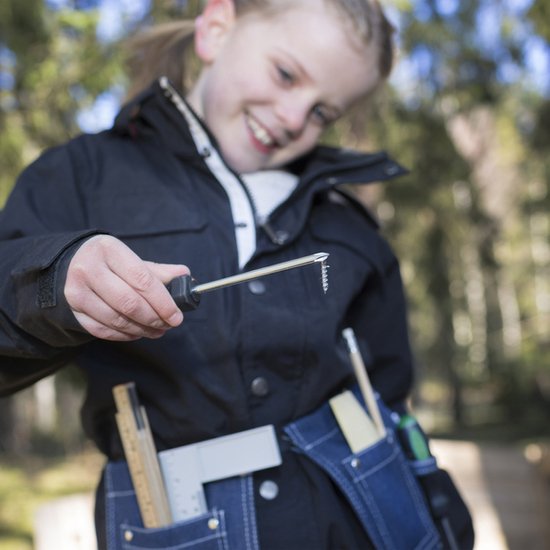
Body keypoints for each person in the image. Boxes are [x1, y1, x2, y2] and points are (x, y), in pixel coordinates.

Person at [0, 0, 474, 548]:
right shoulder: (82, 176)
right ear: (216, 28)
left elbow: (389, 397)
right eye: (285, 74)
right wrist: (52, 284)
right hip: (175, 520)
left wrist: (438, 510)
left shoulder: (348, 224)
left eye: (323, 112)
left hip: (359, 517)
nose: (295, 117)